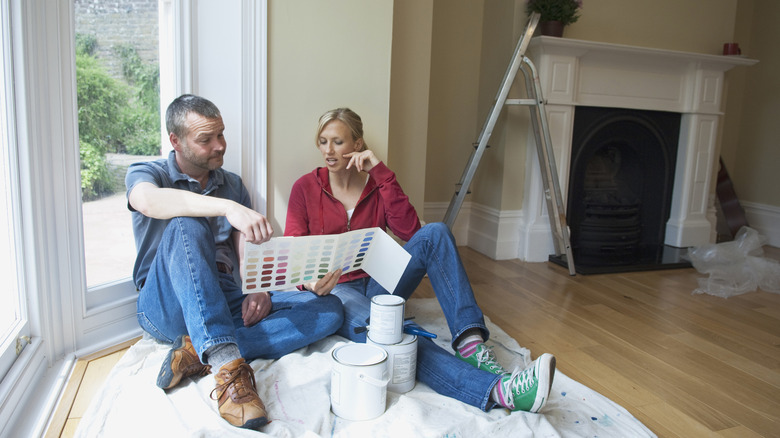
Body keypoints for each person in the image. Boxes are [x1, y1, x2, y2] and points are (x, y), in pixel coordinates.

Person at [285, 107, 557, 413]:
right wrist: (310, 282)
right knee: (398, 337)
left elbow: (411, 231)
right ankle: (500, 392)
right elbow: (295, 252)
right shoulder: (305, 187)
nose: (328, 151)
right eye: (323, 142)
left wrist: (381, 173)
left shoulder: (376, 184)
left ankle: (469, 343)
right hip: (337, 291)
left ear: (358, 144)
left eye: (337, 142)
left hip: (379, 280)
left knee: (436, 232)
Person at [126, 94, 344, 430]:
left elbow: (247, 249)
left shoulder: (232, 184)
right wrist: (227, 208)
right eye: (205, 139)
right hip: (166, 305)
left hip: (225, 294)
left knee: (330, 310)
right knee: (187, 221)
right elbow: (148, 201)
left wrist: (260, 289)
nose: (219, 146)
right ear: (176, 140)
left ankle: (196, 351)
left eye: (221, 135)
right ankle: (227, 367)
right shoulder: (148, 172)